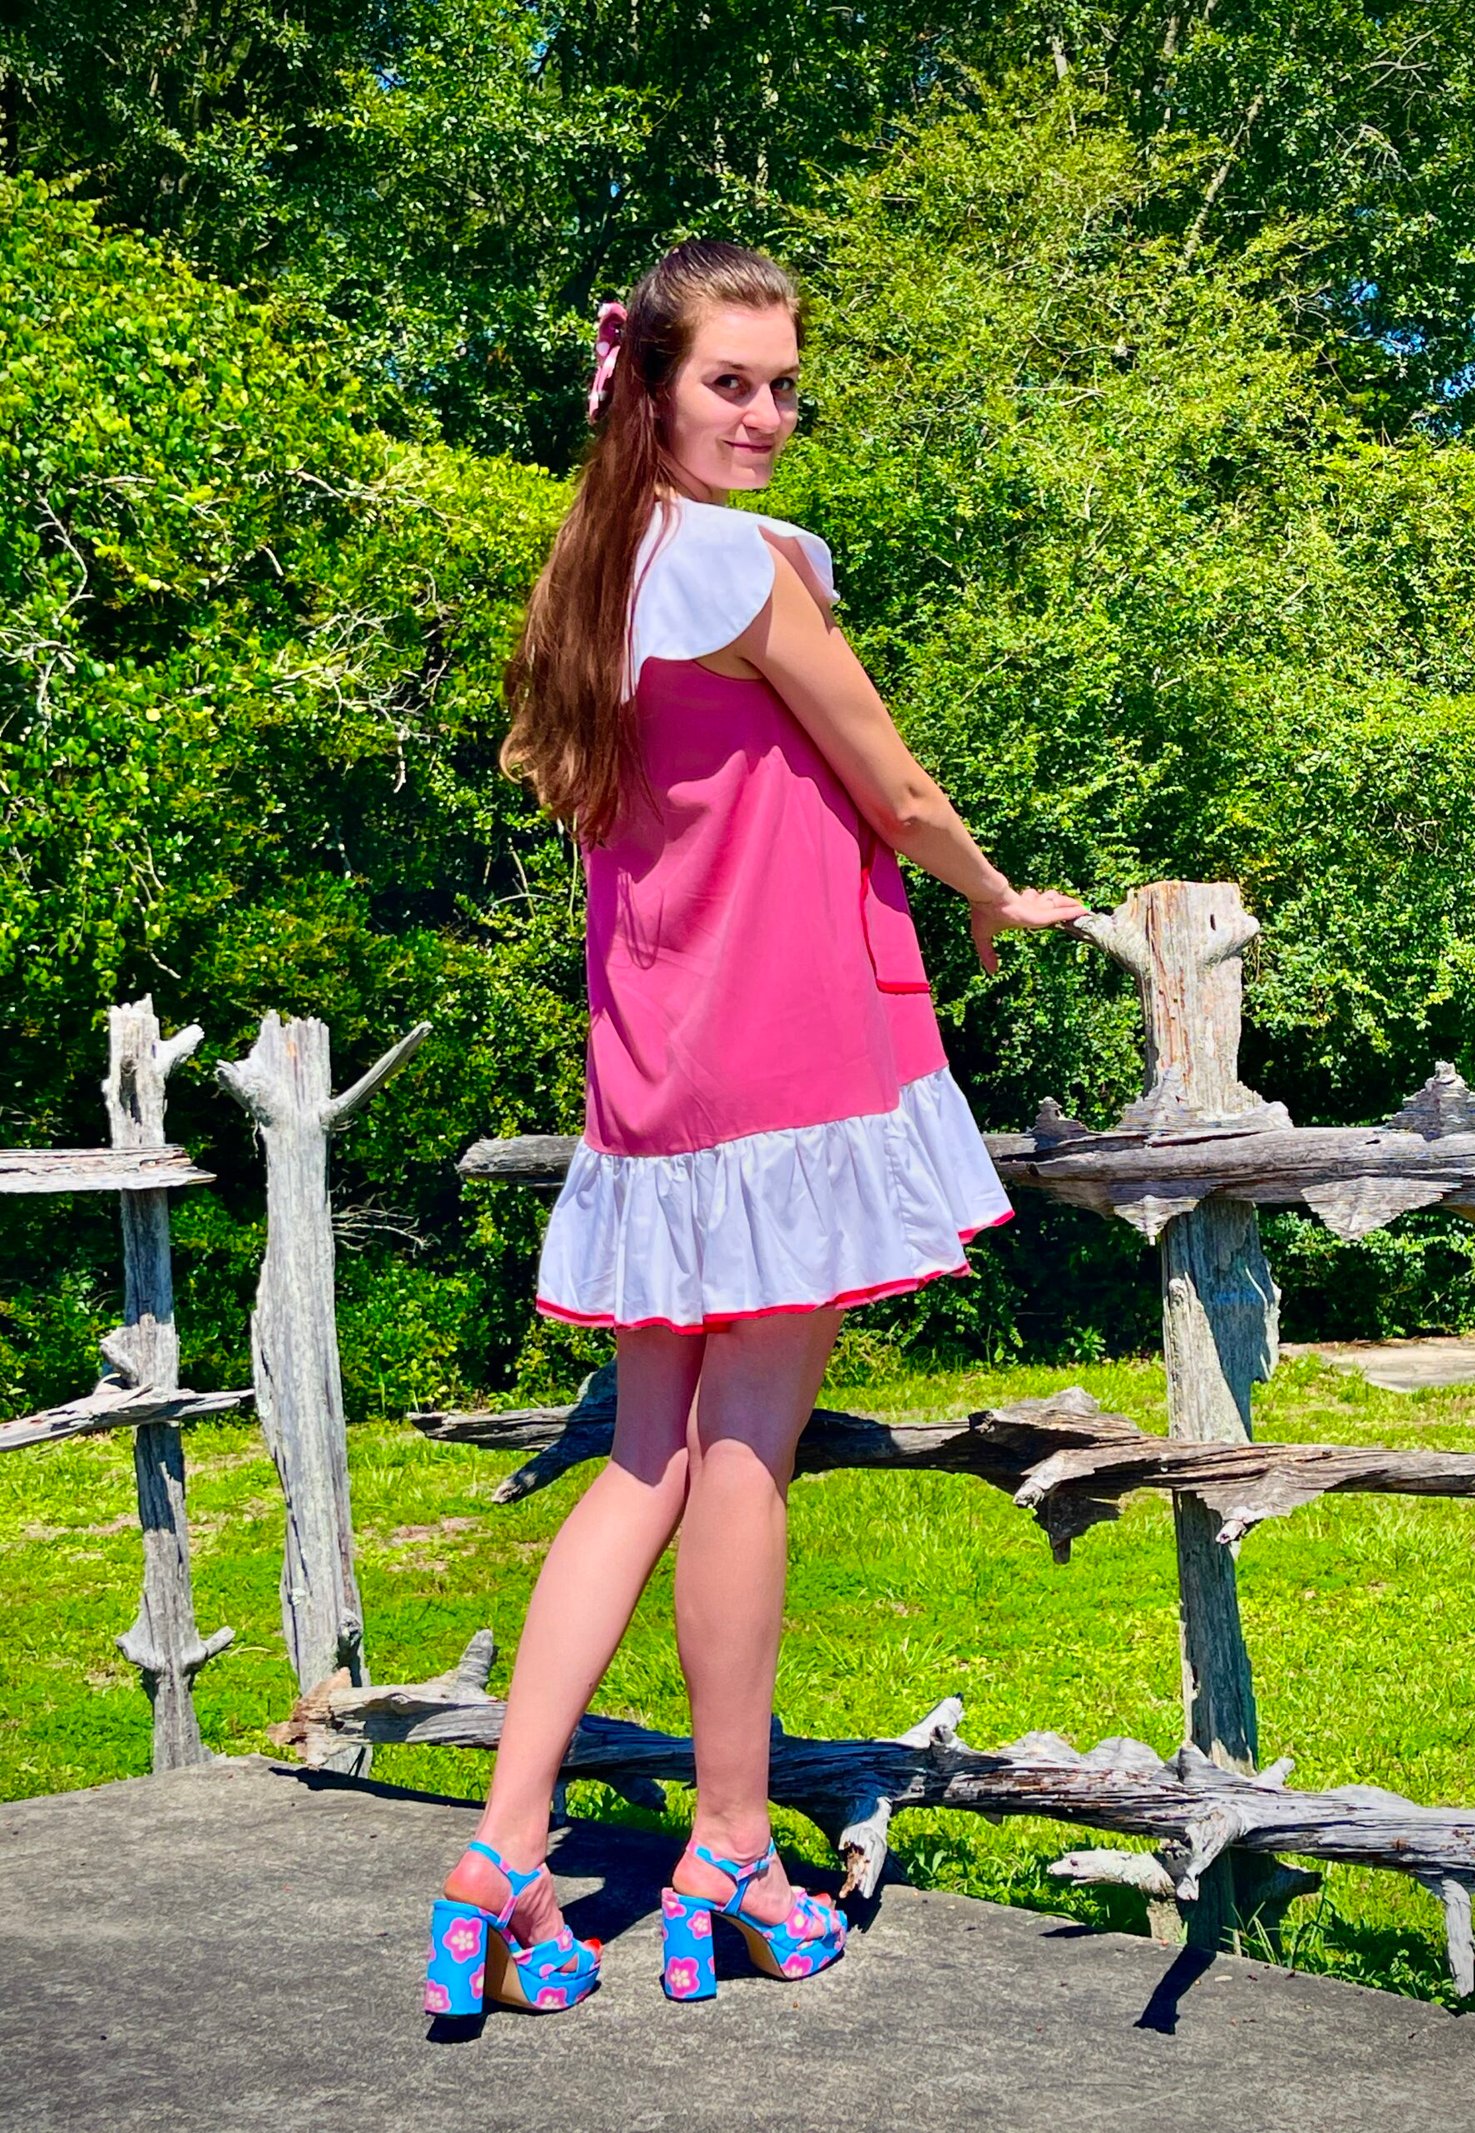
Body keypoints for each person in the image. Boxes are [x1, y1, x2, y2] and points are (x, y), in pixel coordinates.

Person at [424, 239, 1088, 2018]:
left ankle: (503, 1848)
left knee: (647, 1450)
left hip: (655, 1071)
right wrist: (995, 894)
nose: (769, 413)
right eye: (731, 382)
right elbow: (897, 781)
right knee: (746, 1449)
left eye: (786, 385)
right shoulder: (736, 563)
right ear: (648, 387)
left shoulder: (593, 570)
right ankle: (730, 1844)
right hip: (784, 1059)